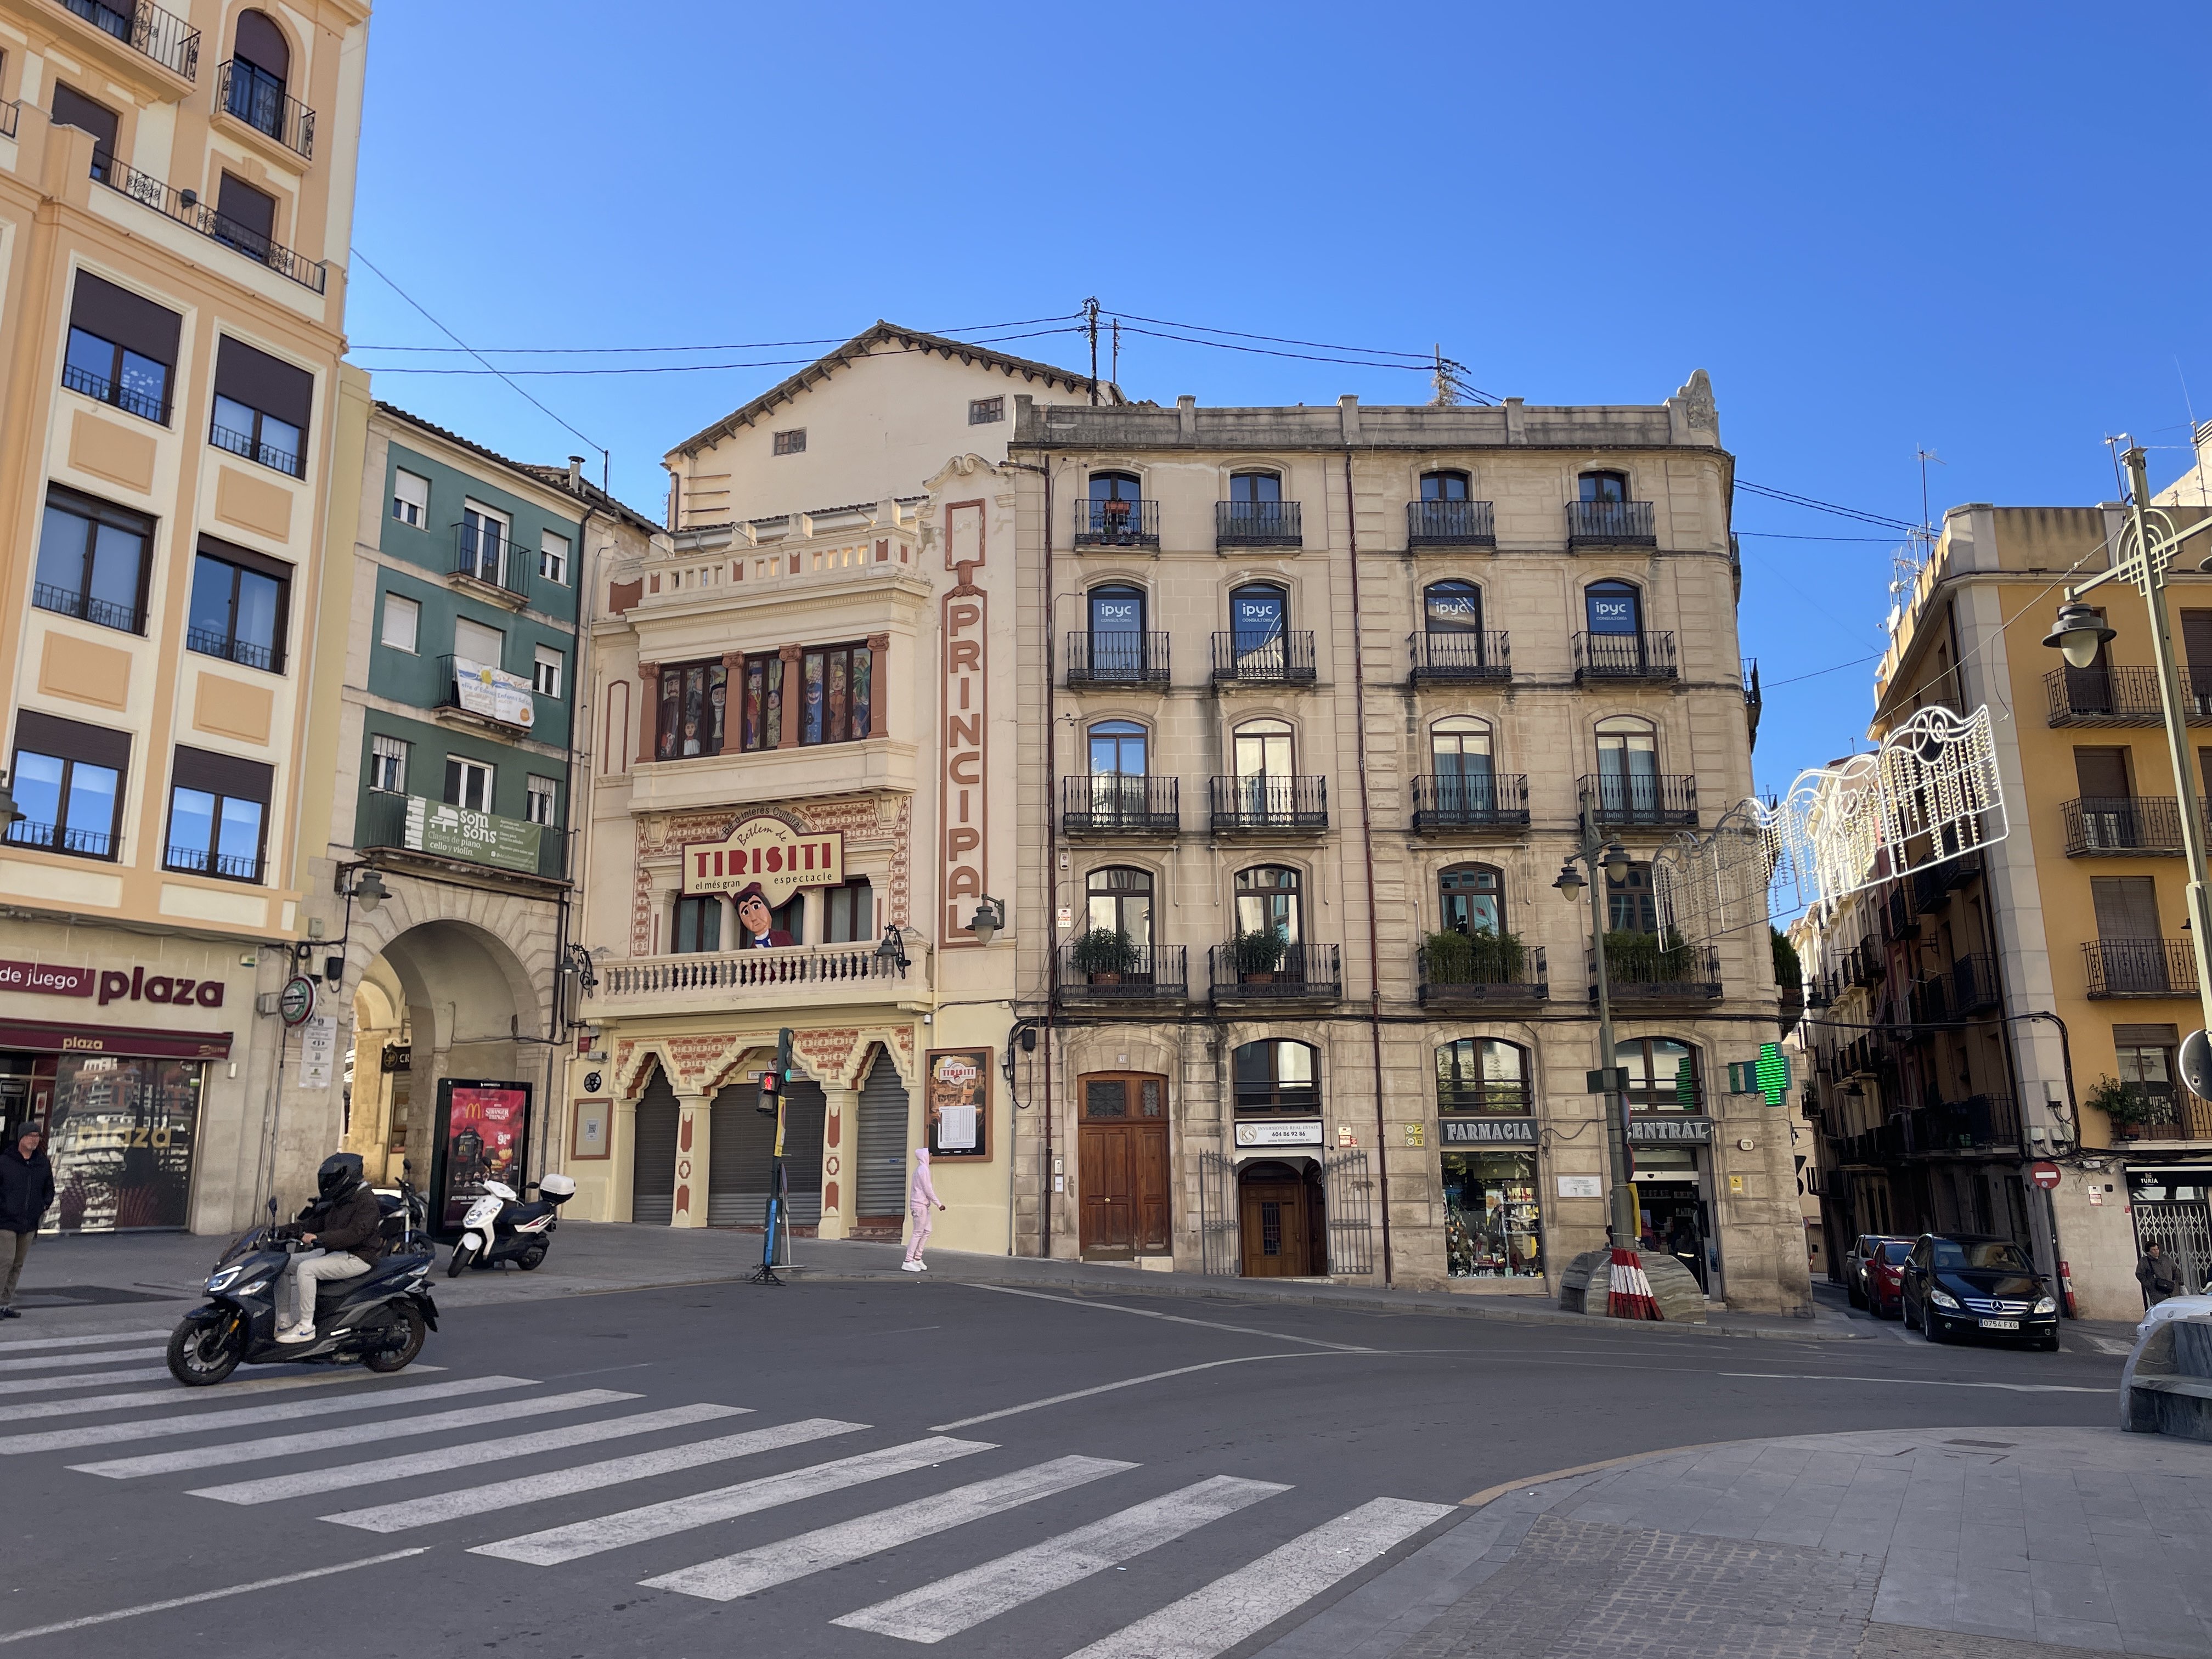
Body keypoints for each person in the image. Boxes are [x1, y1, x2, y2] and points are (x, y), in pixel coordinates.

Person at [278, 1153, 384, 1343]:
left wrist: (320, 1238)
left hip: (358, 1257)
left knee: (306, 1269)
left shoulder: (366, 1201)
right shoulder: (343, 1198)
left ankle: (306, 1327)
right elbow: (317, 1223)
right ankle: (284, 1321)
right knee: (282, 1265)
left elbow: (354, 1234)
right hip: (337, 1252)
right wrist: (283, 1231)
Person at [0, 1122, 55, 1320]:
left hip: (29, 1222)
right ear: (21, 1138)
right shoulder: (6, 1161)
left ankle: (5, 1304)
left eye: (37, 1136)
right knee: (4, 1261)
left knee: (17, 1263)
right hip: (5, 1221)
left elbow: (49, 1187)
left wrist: (44, 1205)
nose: (34, 1140)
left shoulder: (42, 1163)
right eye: (31, 1135)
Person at [901, 1146, 945, 1273]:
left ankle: (917, 1258)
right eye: (931, 1156)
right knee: (918, 1233)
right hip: (920, 1205)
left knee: (927, 1231)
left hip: (923, 1205)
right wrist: (939, 1204)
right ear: (927, 1156)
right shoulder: (923, 1170)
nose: (932, 1159)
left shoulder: (921, 1170)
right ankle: (908, 1261)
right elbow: (928, 1189)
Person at [734, 883, 794, 949]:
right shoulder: (750, 952)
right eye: (746, 912)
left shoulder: (784, 937)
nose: (753, 918)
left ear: (767, 907)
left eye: (756, 907)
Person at [2138, 1241, 2186, 1307]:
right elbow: (2139, 1274)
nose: (2156, 1251)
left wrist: (2176, 1281)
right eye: (2153, 1250)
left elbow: (2175, 1269)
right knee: (2162, 1307)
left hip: (2171, 1288)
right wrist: (2149, 1284)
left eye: (2157, 1249)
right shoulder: (2144, 1261)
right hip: (2157, 1290)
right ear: (2148, 1252)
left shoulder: (2166, 1258)